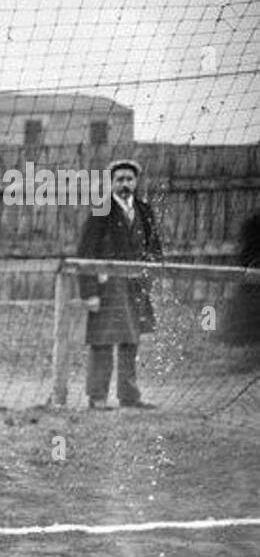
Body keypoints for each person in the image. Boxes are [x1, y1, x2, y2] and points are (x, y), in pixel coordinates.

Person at [76, 158, 163, 409]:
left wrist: (150, 274)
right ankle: (98, 397)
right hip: (107, 287)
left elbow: (155, 247)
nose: (125, 184)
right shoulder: (102, 209)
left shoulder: (144, 210)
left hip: (136, 286)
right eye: (120, 179)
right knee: (102, 341)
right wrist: (89, 292)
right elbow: (86, 252)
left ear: (136, 182)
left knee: (131, 340)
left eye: (129, 179)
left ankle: (129, 396)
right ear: (111, 183)